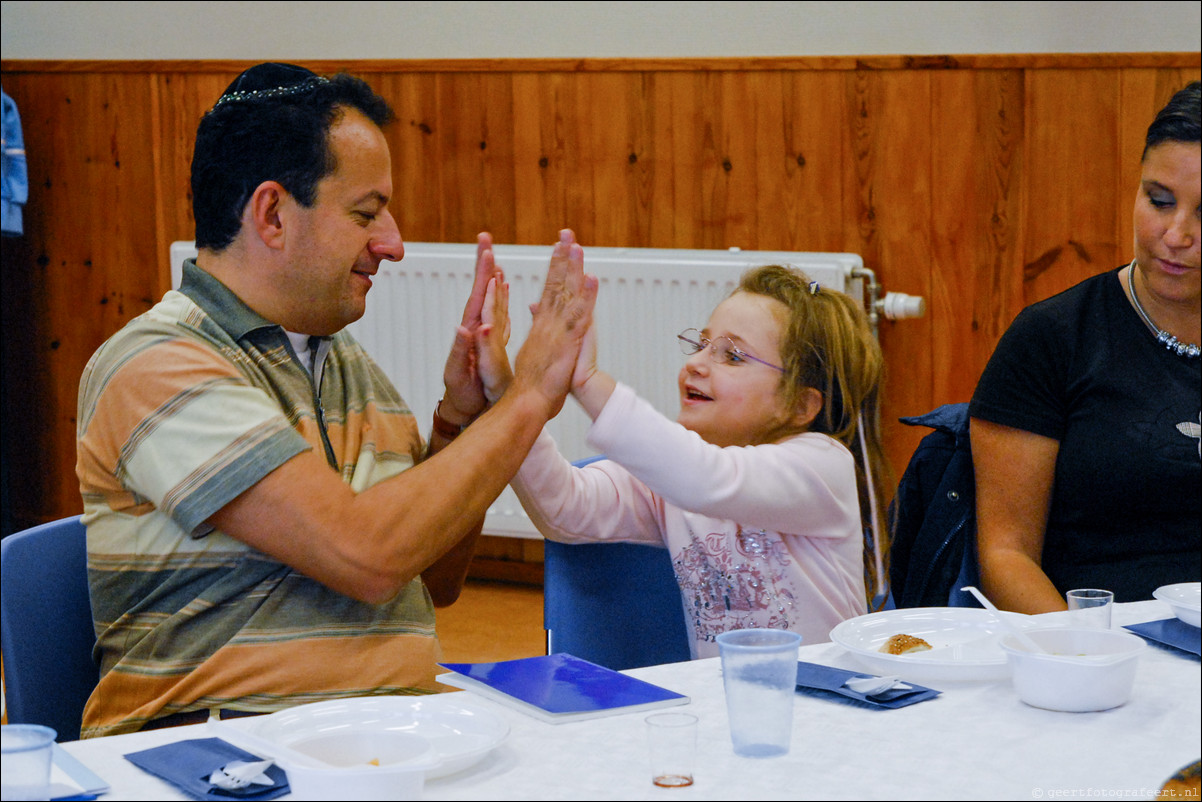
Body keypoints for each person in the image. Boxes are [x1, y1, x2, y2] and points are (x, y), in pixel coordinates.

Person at [74, 63, 596, 738]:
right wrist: (529, 399)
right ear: (271, 214)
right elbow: (368, 557)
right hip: (220, 748)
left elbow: (431, 577)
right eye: (365, 213)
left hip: (379, 742)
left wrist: (462, 419)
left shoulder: (341, 360)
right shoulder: (154, 364)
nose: (394, 244)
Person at [476, 253, 891, 655]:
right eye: (702, 343)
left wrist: (586, 381)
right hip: (727, 711)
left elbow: (707, 479)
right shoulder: (677, 474)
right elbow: (566, 510)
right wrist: (508, 395)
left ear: (800, 405)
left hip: (828, 711)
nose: (696, 363)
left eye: (732, 355)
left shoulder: (821, 465)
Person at [970, 81, 1201, 613]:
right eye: (1158, 201)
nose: (1176, 234)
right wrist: (1085, 653)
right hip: (1095, 646)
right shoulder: (1054, 337)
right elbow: (1007, 554)